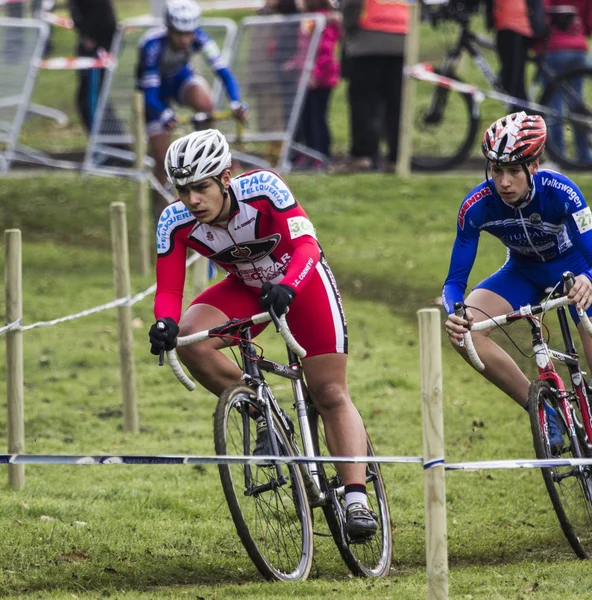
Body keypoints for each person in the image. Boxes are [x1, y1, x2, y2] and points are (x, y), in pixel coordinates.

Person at [148, 128, 379, 543]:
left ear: (225, 176)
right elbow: (168, 289)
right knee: (190, 340)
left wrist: (289, 284)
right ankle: (263, 415)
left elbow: (307, 245)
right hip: (246, 288)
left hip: (301, 280)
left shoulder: (265, 189)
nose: (192, 201)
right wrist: (164, 321)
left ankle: (357, 499)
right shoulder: (174, 220)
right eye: (182, 190)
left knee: (328, 392)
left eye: (200, 187)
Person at [443, 111, 592, 448]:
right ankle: (541, 411)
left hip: (573, 269)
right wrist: (455, 310)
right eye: (497, 171)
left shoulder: (563, 191)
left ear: (534, 167)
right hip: (522, 271)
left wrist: (588, 278)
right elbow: (454, 281)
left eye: (513, 171)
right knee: (465, 335)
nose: (504, 182)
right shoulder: (476, 206)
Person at [136, 0, 248, 221]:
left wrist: (235, 101)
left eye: (189, 33)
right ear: (169, 29)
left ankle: (207, 153)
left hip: (179, 79)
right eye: (180, 34)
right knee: (160, 157)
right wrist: (164, 114)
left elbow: (224, 72)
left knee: (205, 103)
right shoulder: (151, 46)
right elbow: (150, 94)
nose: (186, 40)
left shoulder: (199, 37)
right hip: (153, 91)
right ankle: (160, 210)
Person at [334, 0, 409, 173]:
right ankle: (396, 157)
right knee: (396, 103)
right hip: (402, 37)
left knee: (364, 103)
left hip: (367, 39)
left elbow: (352, 5)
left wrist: (347, 27)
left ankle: (363, 156)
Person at [291, 0, 342, 170]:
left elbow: (326, 52)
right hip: (305, 78)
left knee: (317, 118)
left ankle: (321, 154)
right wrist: (294, 64)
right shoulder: (308, 20)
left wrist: (316, 74)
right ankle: (307, 153)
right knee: (305, 119)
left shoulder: (324, 21)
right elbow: (304, 49)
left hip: (321, 81)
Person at [540, 0, 592, 162]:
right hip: (578, 48)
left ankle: (558, 156)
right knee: (576, 105)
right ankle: (583, 155)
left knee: (553, 107)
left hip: (553, 48)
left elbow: (541, 13)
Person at [68, 0, 120, 134]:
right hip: (92, 41)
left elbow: (101, 9)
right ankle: (107, 143)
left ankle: (112, 144)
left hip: (98, 43)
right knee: (90, 100)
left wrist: (88, 34)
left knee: (92, 100)